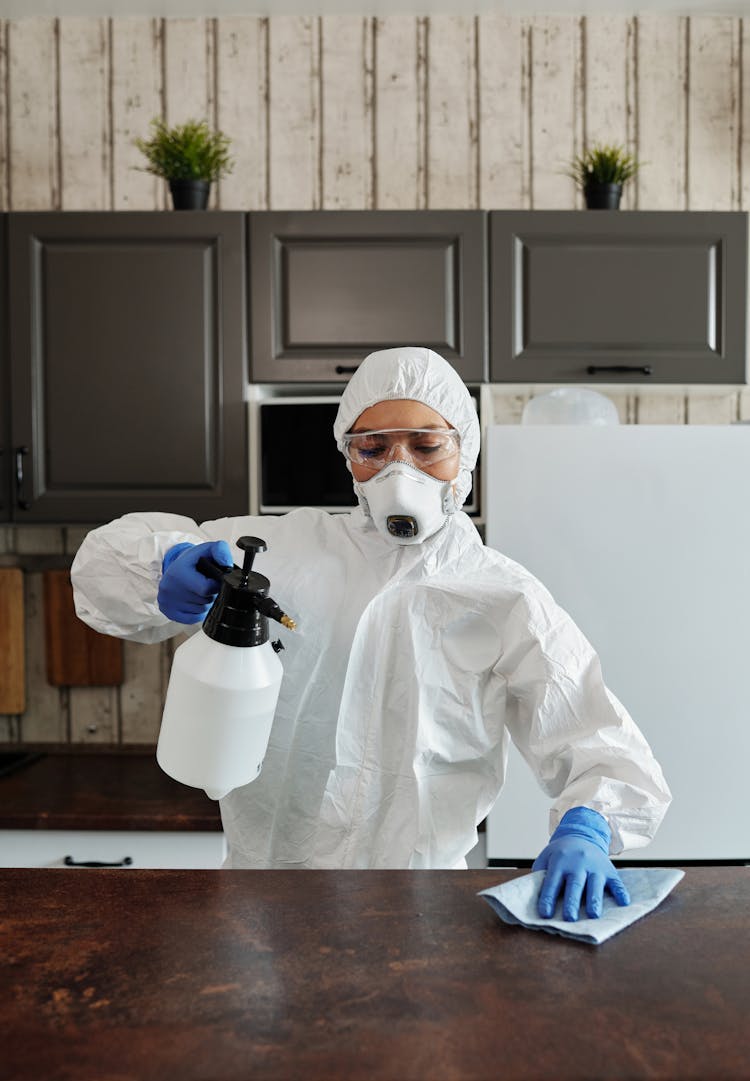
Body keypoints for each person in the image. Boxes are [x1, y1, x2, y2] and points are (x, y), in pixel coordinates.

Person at [71, 346, 671, 921]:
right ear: (348, 455)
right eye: (373, 447)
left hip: (423, 906)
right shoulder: (281, 552)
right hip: (264, 896)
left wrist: (589, 827)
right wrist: (165, 567)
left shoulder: (503, 596)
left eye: (426, 446)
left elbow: (597, 739)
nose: (398, 468)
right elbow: (103, 572)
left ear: (465, 452)